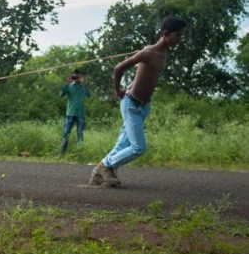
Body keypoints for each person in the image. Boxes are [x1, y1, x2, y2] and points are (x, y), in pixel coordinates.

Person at [89, 15, 187, 187]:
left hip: (143, 108)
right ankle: (106, 165)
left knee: (122, 144)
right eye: (177, 35)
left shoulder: (163, 54)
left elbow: (144, 75)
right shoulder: (148, 53)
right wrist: (117, 90)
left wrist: (132, 84)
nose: (180, 39)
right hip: (131, 105)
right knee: (138, 147)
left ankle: (97, 175)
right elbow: (118, 68)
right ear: (166, 33)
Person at [59, 69, 90, 156]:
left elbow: (88, 95)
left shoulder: (83, 87)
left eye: (79, 77)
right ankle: (61, 154)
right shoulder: (69, 86)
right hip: (70, 114)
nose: (77, 78)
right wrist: (66, 83)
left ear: (81, 77)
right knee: (65, 134)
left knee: (80, 135)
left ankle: (80, 154)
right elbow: (61, 95)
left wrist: (83, 84)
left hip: (80, 114)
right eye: (76, 76)